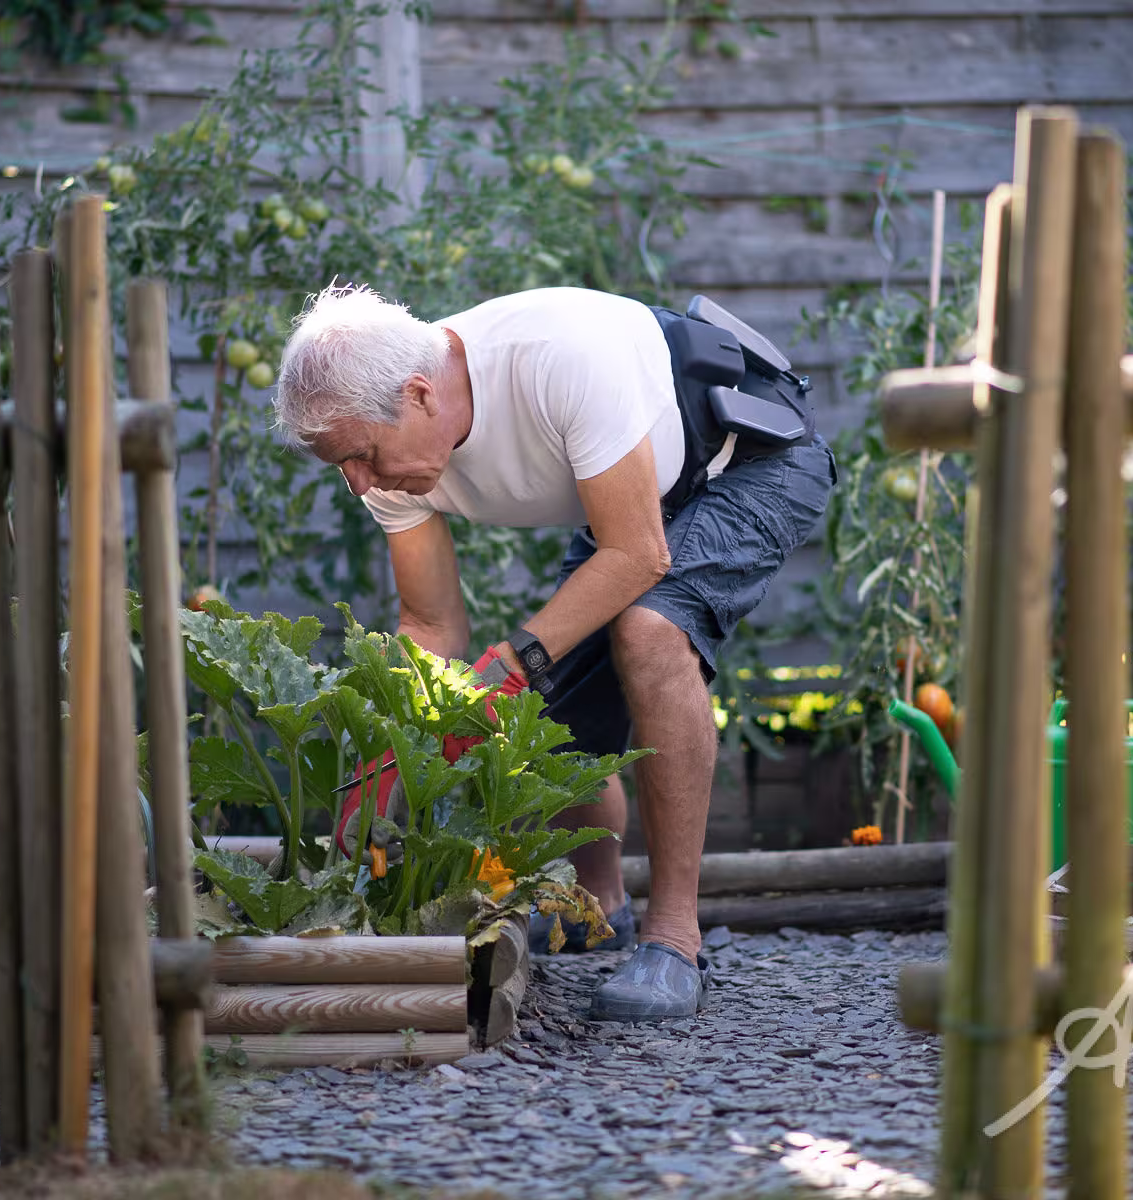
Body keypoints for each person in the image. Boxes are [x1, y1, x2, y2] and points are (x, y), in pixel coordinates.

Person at [274, 283, 835, 1022]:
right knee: (553, 716)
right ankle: (595, 906)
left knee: (650, 630)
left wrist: (511, 668)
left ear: (417, 395)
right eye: (341, 466)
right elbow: (433, 625)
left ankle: (674, 940)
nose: (358, 483)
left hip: (757, 457)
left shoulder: (557, 359)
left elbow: (637, 553)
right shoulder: (383, 446)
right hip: (641, 490)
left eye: (360, 458)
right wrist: (386, 747)